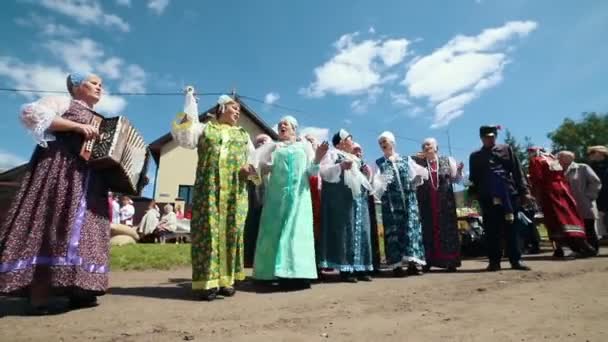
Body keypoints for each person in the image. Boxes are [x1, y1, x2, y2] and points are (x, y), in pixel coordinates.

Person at [0, 73, 111, 314]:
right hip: (60, 171)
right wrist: (76, 126)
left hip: (89, 181)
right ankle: (39, 295)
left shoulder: (101, 118)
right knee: (51, 223)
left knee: (86, 232)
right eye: (93, 83)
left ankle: (79, 290)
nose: (99, 87)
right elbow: (30, 114)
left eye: (101, 84)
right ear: (76, 86)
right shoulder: (62, 102)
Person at [171, 88, 256, 301]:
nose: (237, 112)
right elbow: (184, 137)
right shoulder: (204, 129)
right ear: (221, 108)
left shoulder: (243, 135)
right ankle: (206, 283)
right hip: (208, 191)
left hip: (235, 193)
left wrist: (250, 170)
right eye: (234, 108)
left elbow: (254, 163)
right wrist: (190, 103)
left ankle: (227, 280)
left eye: (239, 110)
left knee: (232, 232)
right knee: (208, 234)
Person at [252, 116, 328, 289]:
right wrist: (255, 168)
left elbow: (311, 172)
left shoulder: (304, 147)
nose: (281, 126)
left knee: (296, 234)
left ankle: (297, 274)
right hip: (276, 198)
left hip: (299, 198)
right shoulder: (273, 147)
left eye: (285, 124)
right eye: (279, 125)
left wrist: (318, 158)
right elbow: (261, 169)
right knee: (274, 232)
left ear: (294, 128)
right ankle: (269, 273)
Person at [468, 125, 531, 271]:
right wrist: (472, 195)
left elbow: (517, 171)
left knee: (512, 228)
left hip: (509, 194)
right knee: (491, 230)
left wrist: (524, 191)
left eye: (492, 136)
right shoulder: (475, 156)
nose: (490, 139)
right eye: (486, 137)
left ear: (496, 136)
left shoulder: (506, 149)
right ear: (481, 138)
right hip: (488, 197)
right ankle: (494, 261)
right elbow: (473, 179)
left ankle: (516, 260)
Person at [318, 129, 374, 282]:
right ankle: (346, 268)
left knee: (361, 231)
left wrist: (367, 173)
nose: (352, 141)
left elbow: (364, 182)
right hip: (341, 201)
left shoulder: (356, 159)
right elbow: (323, 171)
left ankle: (361, 267)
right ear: (341, 142)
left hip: (358, 201)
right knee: (345, 232)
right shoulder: (332, 154)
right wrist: (340, 167)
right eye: (350, 138)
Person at [373, 131, 428, 276]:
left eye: (385, 141)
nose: (383, 145)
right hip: (391, 204)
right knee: (394, 232)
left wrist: (416, 179)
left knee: (411, 231)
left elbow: (420, 172)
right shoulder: (379, 163)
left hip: (409, 201)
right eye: (380, 143)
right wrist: (383, 181)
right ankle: (396, 266)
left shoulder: (405, 159)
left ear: (392, 142)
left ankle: (413, 263)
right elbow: (376, 184)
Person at [528, 147, 596, 258]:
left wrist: (535, 194)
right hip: (563, 189)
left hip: (550, 191)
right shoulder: (552, 158)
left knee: (554, 219)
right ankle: (580, 244)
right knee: (570, 216)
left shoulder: (536, 160)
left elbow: (537, 178)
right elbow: (561, 174)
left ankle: (562, 248)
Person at [413, 138, 463, 272]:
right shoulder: (419, 163)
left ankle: (450, 261)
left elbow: (456, 179)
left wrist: (459, 171)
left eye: (429, 144)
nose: (426, 146)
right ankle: (428, 262)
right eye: (423, 145)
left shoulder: (447, 160)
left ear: (436, 147)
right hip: (427, 202)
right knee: (428, 231)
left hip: (445, 202)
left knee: (448, 231)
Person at [558, 150, 601, 253]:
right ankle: (579, 249)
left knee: (588, 227)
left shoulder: (582, 167)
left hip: (584, 203)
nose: (559, 159)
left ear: (571, 158)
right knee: (575, 229)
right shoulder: (557, 170)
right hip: (569, 206)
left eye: (561, 157)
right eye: (559, 157)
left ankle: (593, 249)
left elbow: (595, 182)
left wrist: (589, 196)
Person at [353, 142, 382, 271]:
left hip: (368, 199)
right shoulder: (351, 164)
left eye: (360, 150)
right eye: (355, 150)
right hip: (356, 199)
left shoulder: (367, 166)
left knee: (371, 230)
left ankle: (374, 263)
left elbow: (374, 182)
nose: (358, 153)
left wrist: (368, 174)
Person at [244, 133, 272, 267]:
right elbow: (253, 178)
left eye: (264, 141)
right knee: (252, 226)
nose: (261, 144)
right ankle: (248, 259)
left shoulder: (275, 156)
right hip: (254, 197)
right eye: (258, 142)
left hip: (272, 197)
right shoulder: (250, 157)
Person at [588, 145, 608, 239]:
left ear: (601, 153)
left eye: (592, 152)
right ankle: (604, 236)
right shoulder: (591, 167)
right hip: (598, 195)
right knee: (599, 216)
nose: (590, 155)